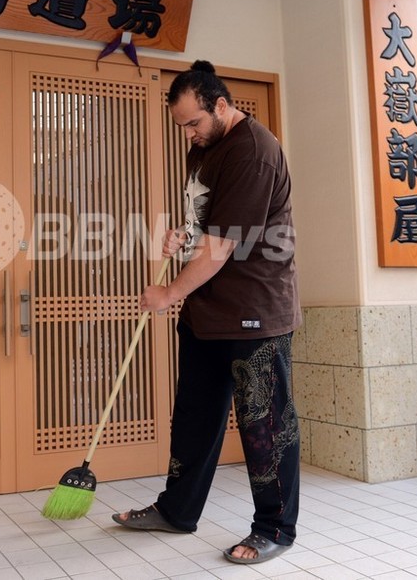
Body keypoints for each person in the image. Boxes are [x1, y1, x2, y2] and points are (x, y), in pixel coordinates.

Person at [112, 60, 302, 565]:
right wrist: (183, 236)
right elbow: (208, 231)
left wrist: (168, 292)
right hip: (208, 310)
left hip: (255, 309)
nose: (190, 134)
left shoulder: (254, 152)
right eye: (183, 126)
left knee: (264, 421)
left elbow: (222, 249)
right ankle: (177, 511)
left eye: (194, 122)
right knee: (194, 417)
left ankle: (275, 529)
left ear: (221, 105)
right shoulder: (205, 148)